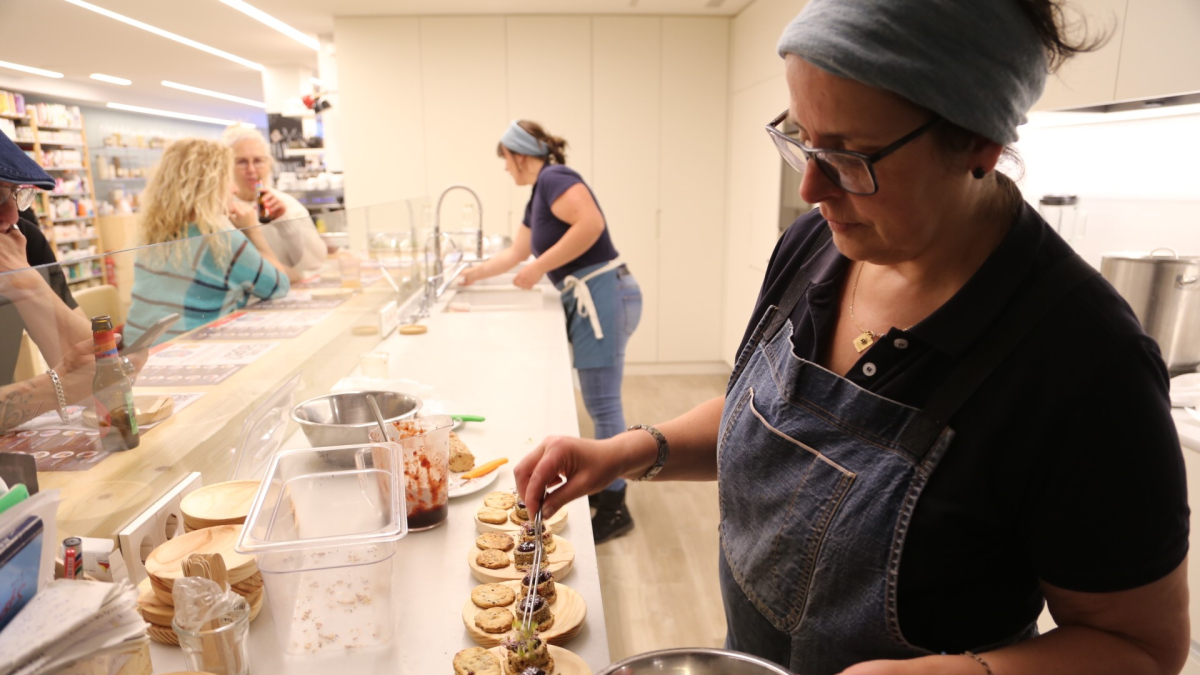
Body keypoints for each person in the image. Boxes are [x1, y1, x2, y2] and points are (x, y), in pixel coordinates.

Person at [516, 2, 1190, 674]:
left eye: (848, 156)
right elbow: (773, 413)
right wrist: (630, 450)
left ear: (980, 141)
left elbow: (1140, 646)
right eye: (801, 139)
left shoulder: (1086, 365)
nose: (810, 188)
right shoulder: (814, 245)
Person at [461, 120, 644, 543]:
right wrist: (471, 275)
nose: (505, 170)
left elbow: (591, 225)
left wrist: (540, 267)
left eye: (505, 161)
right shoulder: (538, 195)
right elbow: (516, 252)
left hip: (605, 294)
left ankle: (616, 506)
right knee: (599, 399)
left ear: (520, 155)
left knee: (602, 401)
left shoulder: (555, 177)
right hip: (596, 297)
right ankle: (607, 490)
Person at [0, 133, 145, 430]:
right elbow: (78, 383)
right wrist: (56, 388)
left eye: (15, 193)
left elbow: (97, 383)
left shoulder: (21, 239)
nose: (12, 213)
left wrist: (28, 286)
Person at [125, 139, 291, 347]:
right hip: (184, 352)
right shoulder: (221, 240)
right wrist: (253, 232)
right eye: (227, 179)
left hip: (135, 351)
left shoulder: (153, 233)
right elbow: (279, 286)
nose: (234, 190)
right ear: (210, 186)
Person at [221, 125, 326, 276]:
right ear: (227, 166)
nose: (251, 169)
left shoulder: (288, 205)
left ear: (269, 163)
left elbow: (314, 264)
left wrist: (286, 222)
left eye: (258, 161)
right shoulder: (219, 209)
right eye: (241, 162)